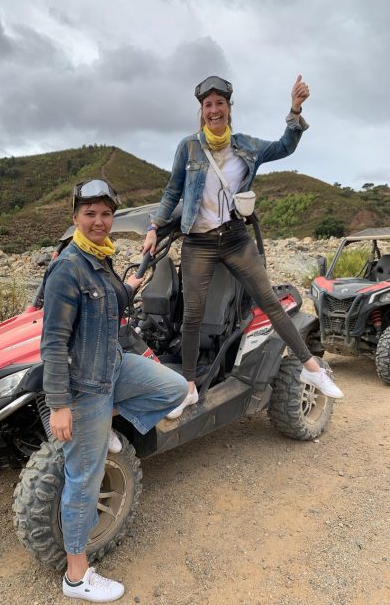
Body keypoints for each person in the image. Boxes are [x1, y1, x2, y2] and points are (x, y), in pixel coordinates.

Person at [143, 74, 344, 419]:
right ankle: (188, 387)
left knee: (269, 301)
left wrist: (295, 110)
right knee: (192, 315)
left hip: (235, 237)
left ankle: (311, 368)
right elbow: (172, 191)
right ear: (202, 111)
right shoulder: (188, 147)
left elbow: (285, 146)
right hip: (198, 242)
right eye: (208, 105)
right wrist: (154, 227)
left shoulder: (246, 145)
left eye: (220, 103)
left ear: (228, 108)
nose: (214, 110)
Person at [41, 179, 188, 602]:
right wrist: (60, 405)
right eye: (90, 213)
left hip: (113, 366)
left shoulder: (100, 259)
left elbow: (113, 300)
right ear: (75, 217)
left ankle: (104, 423)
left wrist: (131, 284)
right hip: (85, 386)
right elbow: (53, 342)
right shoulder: (68, 268)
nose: (99, 221)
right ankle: (76, 577)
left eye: (106, 214)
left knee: (175, 388)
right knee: (84, 480)